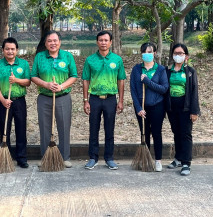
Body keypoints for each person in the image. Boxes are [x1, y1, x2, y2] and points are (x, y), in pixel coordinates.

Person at [31, 30, 77, 168]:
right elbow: (33, 76)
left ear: (60, 42)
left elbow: (74, 75)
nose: (52, 43)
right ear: (45, 43)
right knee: (45, 128)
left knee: (64, 127)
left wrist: (61, 87)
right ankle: (46, 156)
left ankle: (65, 157)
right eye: (49, 41)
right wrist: (46, 84)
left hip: (63, 97)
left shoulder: (67, 56)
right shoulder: (40, 57)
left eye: (55, 40)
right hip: (44, 97)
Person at [82, 31, 126, 170]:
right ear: (97, 42)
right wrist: (85, 100)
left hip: (110, 99)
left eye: (106, 40)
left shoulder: (117, 60)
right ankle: (93, 158)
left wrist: (121, 100)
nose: (103, 42)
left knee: (109, 129)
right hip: (94, 98)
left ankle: (109, 158)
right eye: (100, 40)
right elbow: (85, 80)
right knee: (93, 129)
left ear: (111, 42)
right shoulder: (90, 60)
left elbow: (121, 80)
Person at [0, 38, 31, 168]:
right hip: (4, 101)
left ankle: (22, 158)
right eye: (7, 49)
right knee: (4, 130)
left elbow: (28, 81)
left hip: (19, 101)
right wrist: (2, 100)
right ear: (3, 50)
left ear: (17, 50)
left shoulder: (23, 64)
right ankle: (5, 157)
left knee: (21, 129)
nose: (10, 51)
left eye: (12, 49)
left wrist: (16, 80)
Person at [130, 42, 169, 172]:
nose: (147, 54)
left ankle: (158, 160)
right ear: (142, 54)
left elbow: (163, 89)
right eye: (145, 52)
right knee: (144, 133)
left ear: (155, 53)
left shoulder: (160, 69)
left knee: (157, 133)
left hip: (157, 106)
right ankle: (145, 159)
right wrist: (138, 108)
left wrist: (147, 81)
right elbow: (133, 91)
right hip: (142, 108)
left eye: (150, 52)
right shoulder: (136, 69)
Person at [165, 43, 200, 176]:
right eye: (175, 53)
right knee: (176, 132)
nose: (178, 55)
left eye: (180, 53)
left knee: (186, 134)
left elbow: (194, 92)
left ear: (186, 56)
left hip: (185, 107)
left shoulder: (190, 72)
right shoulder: (168, 71)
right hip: (172, 107)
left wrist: (194, 111)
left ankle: (186, 163)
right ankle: (178, 158)